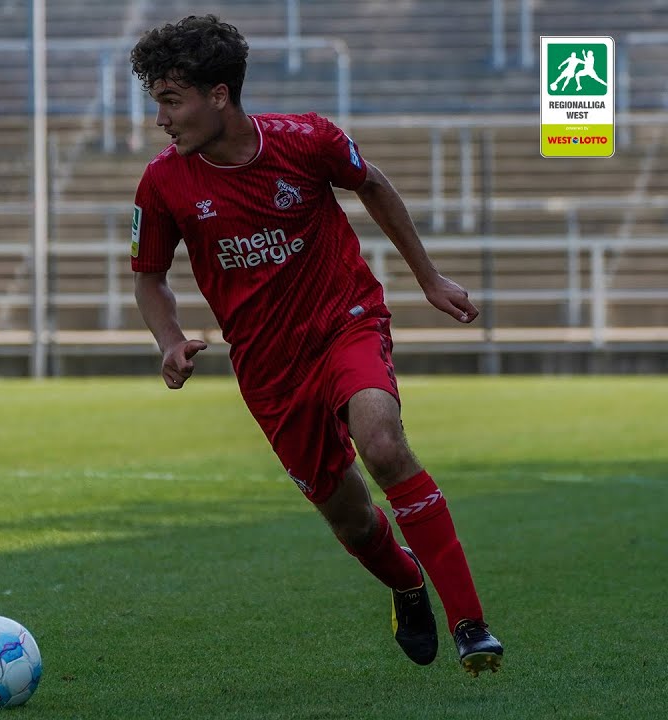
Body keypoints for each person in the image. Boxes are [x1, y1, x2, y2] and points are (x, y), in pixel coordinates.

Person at [128, 16, 504, 676]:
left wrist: (429, 277)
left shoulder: (307, 140)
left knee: (381, 440)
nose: (161, 118)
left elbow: (374, 185)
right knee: (354, 520)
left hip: (344, 319)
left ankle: (471, 624)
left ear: (219, 96)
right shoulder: (163, 184)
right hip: (269, 368)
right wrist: (169, 340)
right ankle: (406, 583)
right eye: (157, 101)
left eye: (170, 100)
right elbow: (149, 277)